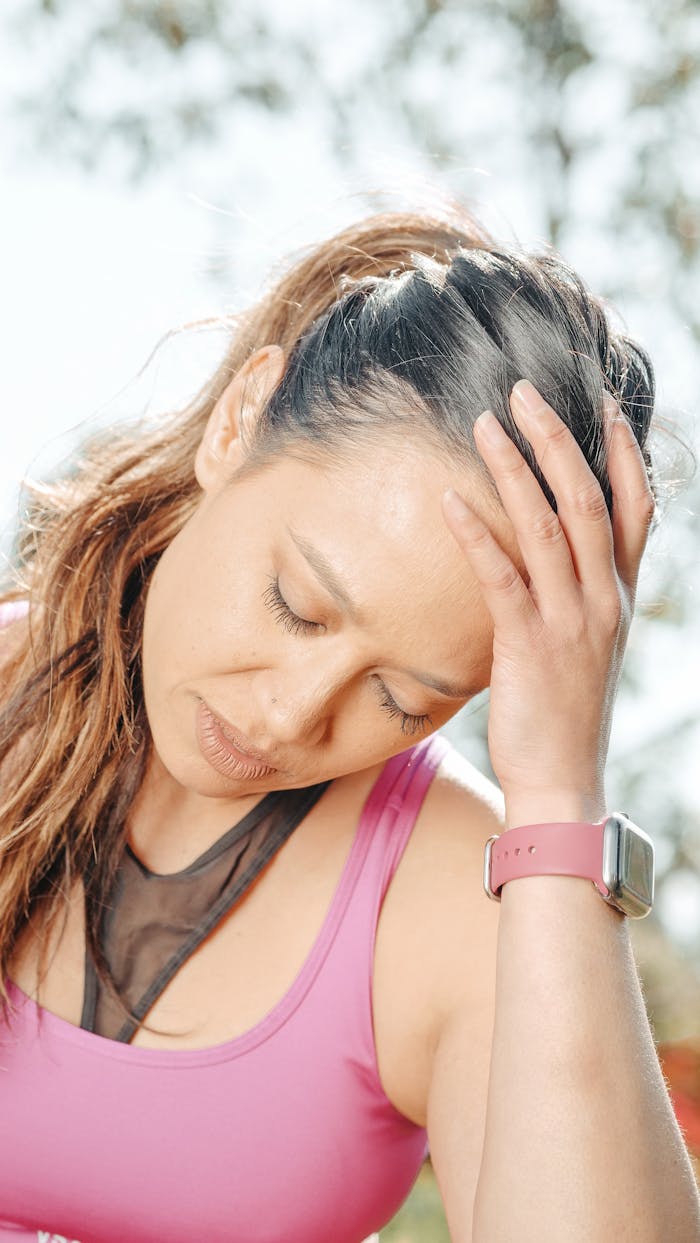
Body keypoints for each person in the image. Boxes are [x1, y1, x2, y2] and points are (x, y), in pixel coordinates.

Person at [1, 205, 699, 1243]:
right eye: (295, 601)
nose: (287, 713)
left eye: (402, 699)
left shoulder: (458, 899)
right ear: (240, 421)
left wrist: (558, 792)